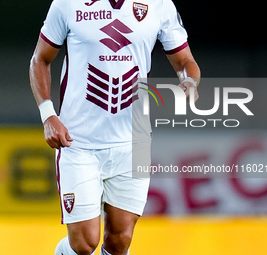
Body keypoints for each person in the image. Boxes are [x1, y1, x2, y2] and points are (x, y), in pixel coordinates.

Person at [29, 0, 200, 254]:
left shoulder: (159, 4)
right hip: (78, 141)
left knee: (119, 241)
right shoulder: (67, 3)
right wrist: (47, 114)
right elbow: (40, 59)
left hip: (134, 139)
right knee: (84, 243)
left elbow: (185, 60)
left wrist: (189, 81)